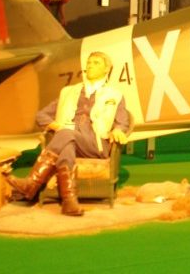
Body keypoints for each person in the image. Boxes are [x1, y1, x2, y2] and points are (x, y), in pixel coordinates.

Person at [7, 52, 131, 216]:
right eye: (89, 62)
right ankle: (69, 201)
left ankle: (32, 183)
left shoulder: (114, 95)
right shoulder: (69, 92)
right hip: (69, 138)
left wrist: (118, 130)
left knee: (66, 134)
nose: (90, 65)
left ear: (106, 69)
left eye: (96, 63)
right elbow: (41, 115)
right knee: (67, 144)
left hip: (95, 144)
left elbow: (123, 121)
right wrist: (54, 125)